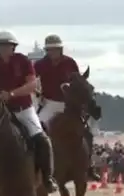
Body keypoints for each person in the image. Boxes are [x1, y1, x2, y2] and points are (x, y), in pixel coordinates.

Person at [0, 30, 58, 196]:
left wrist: (11, 94)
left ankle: (48, 179)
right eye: (0, 46)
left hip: (23, 109)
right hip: (0, 112)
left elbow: (32, 85)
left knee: (42, 139)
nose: (3, 49)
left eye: (6, 46)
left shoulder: (23, 61)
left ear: (13, 47)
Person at [34, 34, 100, 181]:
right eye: (50, 50)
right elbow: (32, 82)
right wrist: (37, 94)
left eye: (55, 49)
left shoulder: (70, 63)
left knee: (87, 132)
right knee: (39, 130)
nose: (53, 53)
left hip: (68, 105)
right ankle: (37, 166)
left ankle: (89, 165)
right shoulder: (39, 65)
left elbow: (77, 82)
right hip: (49, 103)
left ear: (61, 49)